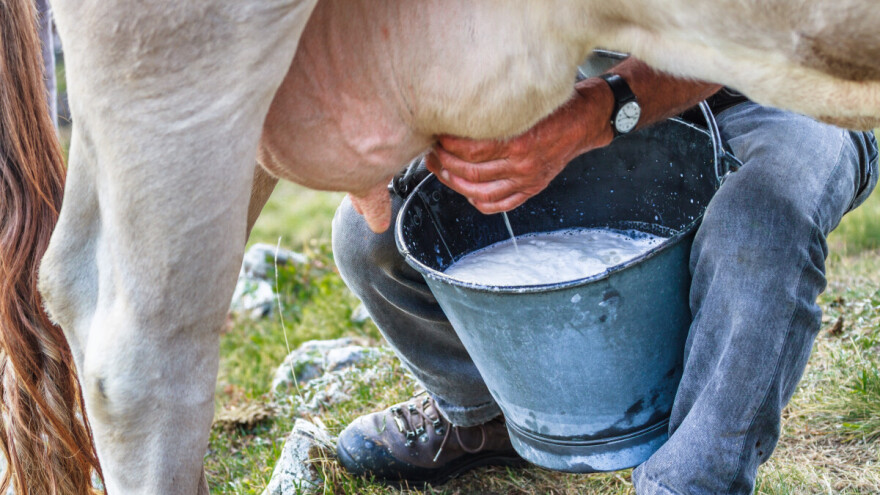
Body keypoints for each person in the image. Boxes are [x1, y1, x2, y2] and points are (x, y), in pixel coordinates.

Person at [329, 55, 878, 494]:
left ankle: (688, 482)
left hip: (790, 89)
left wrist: (594, 115)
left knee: (760, 224)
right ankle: (491, 412)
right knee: (374, 234)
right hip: (587, 78)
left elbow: (752, 33)